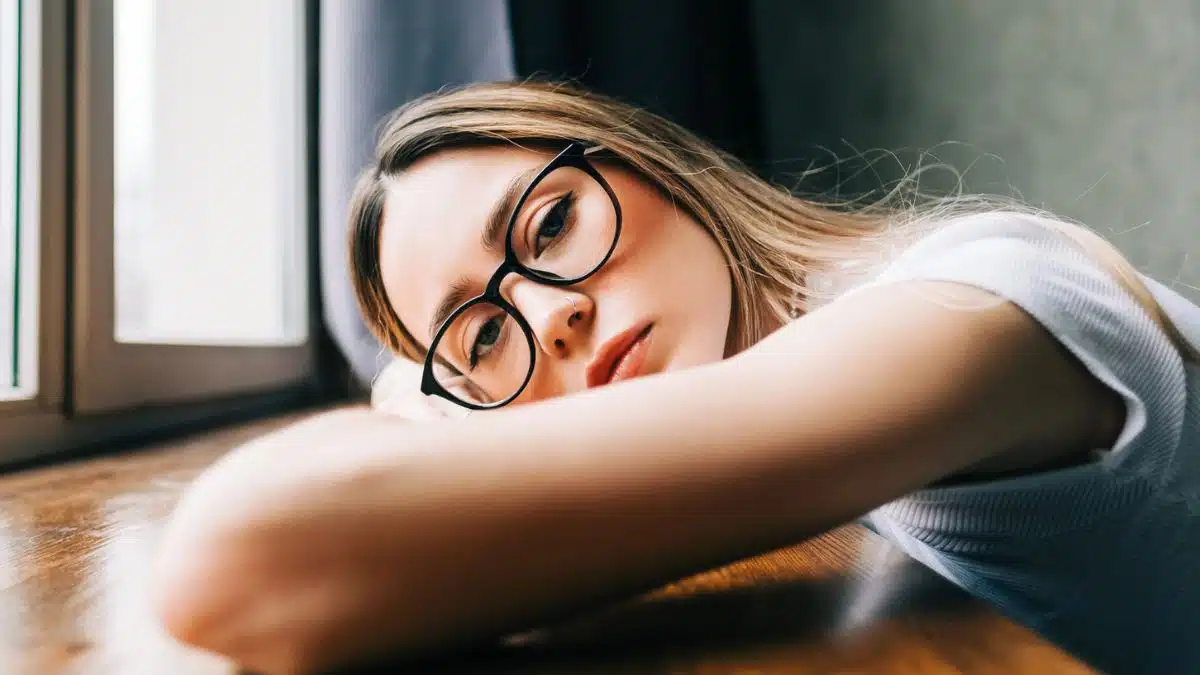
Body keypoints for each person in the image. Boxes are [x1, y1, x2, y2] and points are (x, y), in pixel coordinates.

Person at [150, 81, 1200, 675]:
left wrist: (418, 399)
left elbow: (237, 561)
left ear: (650, 162)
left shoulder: (984, 302)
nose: (550, 315)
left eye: (551, 224)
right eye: (479, 341)